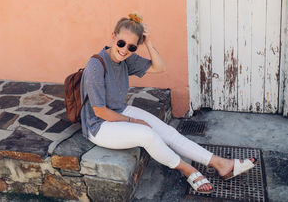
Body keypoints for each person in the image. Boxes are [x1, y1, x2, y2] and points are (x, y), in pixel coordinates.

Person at [80, 14, 256, 194]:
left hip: (119, 110)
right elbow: (100, 111)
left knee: (168, 132)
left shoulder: (126, 59)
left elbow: (159, 67)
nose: (124, 50)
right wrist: (133, 121)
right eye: (121, 43)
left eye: (132, 46)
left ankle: (221, 164)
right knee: (148, 135)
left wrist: (148, 43)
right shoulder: (96, 65)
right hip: (99, 126)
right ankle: (189, 170)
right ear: (113, 37)